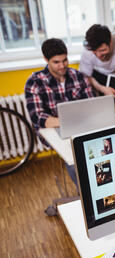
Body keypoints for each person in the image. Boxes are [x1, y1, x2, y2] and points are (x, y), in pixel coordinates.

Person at [25, 38, 95, 194]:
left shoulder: (78, 76)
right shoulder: (34, 82)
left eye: (65, 60)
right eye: (56, 62)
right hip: (54, 130)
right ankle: (85, 194)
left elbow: (91, 104)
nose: (62, 65)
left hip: (81, 125)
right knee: (73, 159)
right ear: (46, 60)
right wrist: (69, 122)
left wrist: (82, 121)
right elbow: (38, 118)